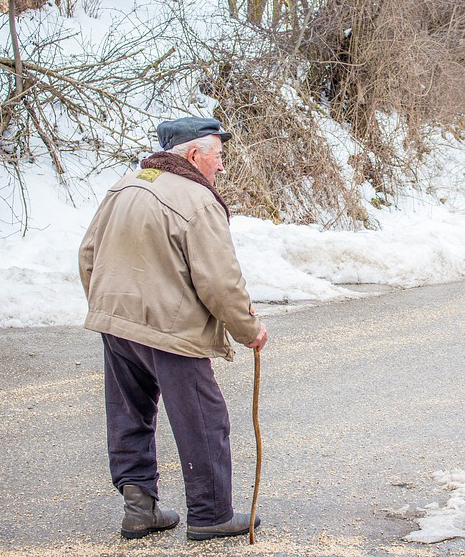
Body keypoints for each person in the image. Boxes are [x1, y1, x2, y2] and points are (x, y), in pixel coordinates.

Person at [78, 116, 268, 541]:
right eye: (218, 156)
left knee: (130, 414)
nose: (221, 168)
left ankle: (140, 508)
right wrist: (247, 328)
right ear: (195, 154)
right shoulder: (197, 201)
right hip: (169, 329)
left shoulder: (124, 186)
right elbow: (220, 281)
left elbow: (88, 253)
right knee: (204, 418)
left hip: (117, 322)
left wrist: (107, 306)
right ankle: (212, 515)